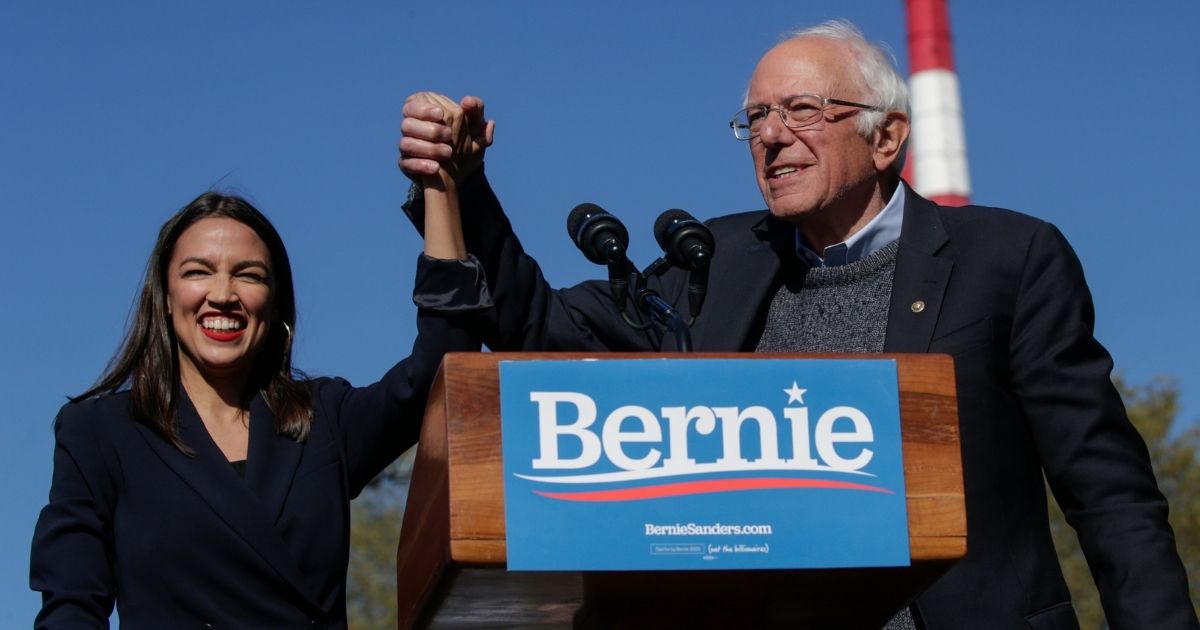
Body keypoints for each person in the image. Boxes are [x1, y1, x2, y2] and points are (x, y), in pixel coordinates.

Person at [397, 19, 1197, 630]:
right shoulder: (712, 263)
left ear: (886, 137)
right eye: (756, 119)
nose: (773, 135)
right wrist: (463, 191)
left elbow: (1109, 496)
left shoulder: (1008, 259)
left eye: (803, 110)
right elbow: (543, 334)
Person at [30, 178, 490, 626]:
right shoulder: (99, 432)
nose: (224, 295)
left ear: (274, 304)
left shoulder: (323, 419)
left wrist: (441, 187)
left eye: (248, 276)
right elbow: (71, 607)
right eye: (198, 272)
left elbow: (441, 371)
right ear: (165, 298)